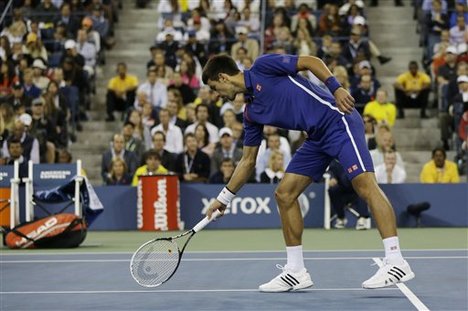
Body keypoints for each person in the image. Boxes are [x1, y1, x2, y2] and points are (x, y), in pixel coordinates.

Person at [202, 53, 414, 292]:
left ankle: (396, 261)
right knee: (284, 194)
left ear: (222, 77)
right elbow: (248, 161)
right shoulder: (251, 113)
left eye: (214, 87)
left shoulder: (262, 67)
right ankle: (296, 271)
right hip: (316, 138)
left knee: (365, 184)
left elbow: (310, 61)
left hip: (338, 119)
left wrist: (337, 88)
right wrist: (223, 199)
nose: (217, 94)